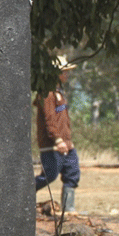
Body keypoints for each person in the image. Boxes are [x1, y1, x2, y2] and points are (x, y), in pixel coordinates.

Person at [35, 56, 80, 212]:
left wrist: (67, 140)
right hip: (52, 145)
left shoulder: (59, 92)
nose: (67, 75)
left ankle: (69, 209)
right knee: (49, 176)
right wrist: (58, 140)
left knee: (72, 173)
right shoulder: (46, 93)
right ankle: (20, 197)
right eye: (64, 72)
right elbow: (50, 120)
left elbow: (63, 121)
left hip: (65, 143)